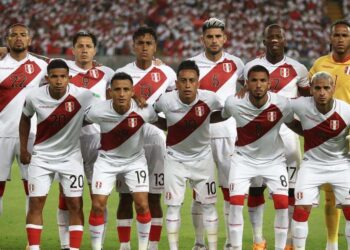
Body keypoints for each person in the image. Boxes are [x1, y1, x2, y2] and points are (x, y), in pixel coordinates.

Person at [243, 24, 309, 250]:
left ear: (284, 40)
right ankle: (257, 239)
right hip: (259, 135)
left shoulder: (298, 68)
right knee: (256, 187)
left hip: (289, 133)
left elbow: (307, 102)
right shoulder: (251, 67)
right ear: (264, 41)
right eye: (270, 37)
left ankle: (289, 240)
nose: (274, 40)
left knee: (289, 190)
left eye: (278, 37)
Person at [19, 59, 97, 250]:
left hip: (71, 158)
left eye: (63, 76)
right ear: (47, 78)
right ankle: (35, 247)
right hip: (42, 158)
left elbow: (110, 102)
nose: (59, 80)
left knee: (75, 204)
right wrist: (23, 148)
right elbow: (25, 118)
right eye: (54, 77)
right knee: (36, 202)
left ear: (69, 78)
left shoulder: (84, 96)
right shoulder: (34, 96)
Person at [223, 65, 302, 250]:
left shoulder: (282, 104)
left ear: (269, 84)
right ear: (246, 84)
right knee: (235, 203)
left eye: (262, 80)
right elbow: (221, 115)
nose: (258, 84)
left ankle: (280, 247)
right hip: (243, 160)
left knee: (282, 203)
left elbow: (293, 124)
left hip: (274, 161)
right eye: (254, 80)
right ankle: (236, 247)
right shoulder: (233, 103)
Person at [115, 26, 176, 250]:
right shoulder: (121, 73)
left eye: (148, 43)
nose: (144, 47)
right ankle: (124, 246)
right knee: (126, 196)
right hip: (128, 139)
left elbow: (174, 105)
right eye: (139, 43)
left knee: (153, 196)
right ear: (133, 46)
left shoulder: (168, 73)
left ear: (155, 47)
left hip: (157, 139)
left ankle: (152, 246)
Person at [87, 72, 164, 250]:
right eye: (117, 90)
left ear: (132, 92)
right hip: (106, 161)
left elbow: (163, 123)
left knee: (142, 204)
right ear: (110, 92)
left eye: (126, 90)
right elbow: (79, 122)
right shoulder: (98, 110)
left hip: (135, 161)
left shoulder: (145, 110)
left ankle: (143, 248)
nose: (121, 94)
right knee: (98, 205)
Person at [154, 60, 225, 250]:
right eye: (183, 81)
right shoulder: (165, 100)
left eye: (191, 80)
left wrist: (206, 120)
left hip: (203, 160)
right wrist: (169, 126)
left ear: (198, 82)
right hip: (174, 160)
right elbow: (152, 115)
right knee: (173, 206)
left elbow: (225, 113)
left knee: (209, 205)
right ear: (176, 83)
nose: (187, 85)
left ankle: (211, 248)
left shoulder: (210, 98)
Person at [189, 17, 244, 250]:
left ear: (225, 38)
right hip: (199, 135)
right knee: (199, 192)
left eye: (218, 36)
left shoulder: (237, 63)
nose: (214, 40)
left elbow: (252, 85)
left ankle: (232, 243)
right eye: (209, 36)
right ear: (202, 39)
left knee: (229, 189)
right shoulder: (191, 64)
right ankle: (200, 243)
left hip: (229, 133)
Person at [56, 31, 114, 250]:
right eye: (79, 46)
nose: (84, 49)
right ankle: (65, 245)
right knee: (67, 196)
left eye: (88, 46)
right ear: (73, 49)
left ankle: (96, 245)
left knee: (98, 196)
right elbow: (30, 58)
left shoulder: (106, 72)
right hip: (69, 141)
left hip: (97, 141)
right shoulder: (62, 70)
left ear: (95, 50)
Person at [291, 72, 350, 250]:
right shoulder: (301, 105)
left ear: (333, 89)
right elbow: (279, 106)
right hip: (312, 166)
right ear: (311, 90)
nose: (322, 92)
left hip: (341, 165)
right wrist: (306, 133)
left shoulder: (346, 110)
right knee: (301, 210)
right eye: (317, 88)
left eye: (326, 88)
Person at [309, 19, 350, 250]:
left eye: (345, 35)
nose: (340, 39)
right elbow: (309, 96)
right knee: (331, 195)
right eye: (337, 35)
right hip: (328, 137)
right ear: (330, 38)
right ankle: (332, 243)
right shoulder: (319, 64)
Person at [0, 23, 47, 216]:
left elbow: (71, 70)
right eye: (14, 35)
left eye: (23, 34)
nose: (18, 37)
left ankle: (31, 242)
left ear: (29, 40)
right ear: (7, 40)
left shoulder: (42, 66)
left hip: (30, 134)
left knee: (33, 189)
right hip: (1, 134)